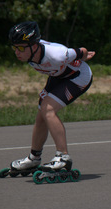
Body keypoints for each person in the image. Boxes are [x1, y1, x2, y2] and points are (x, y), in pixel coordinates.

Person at [8, 21, 95, 171]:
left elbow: (82, 51)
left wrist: (85, 56)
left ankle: (63, 157)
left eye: (21, 47)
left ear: (34, 46)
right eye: (14, 47)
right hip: (58, 75)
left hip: (78, 76)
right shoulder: (29, 54)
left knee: (48, 109)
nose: (17, 52)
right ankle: (34, 158)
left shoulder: (57, 55)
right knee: (42, 113)